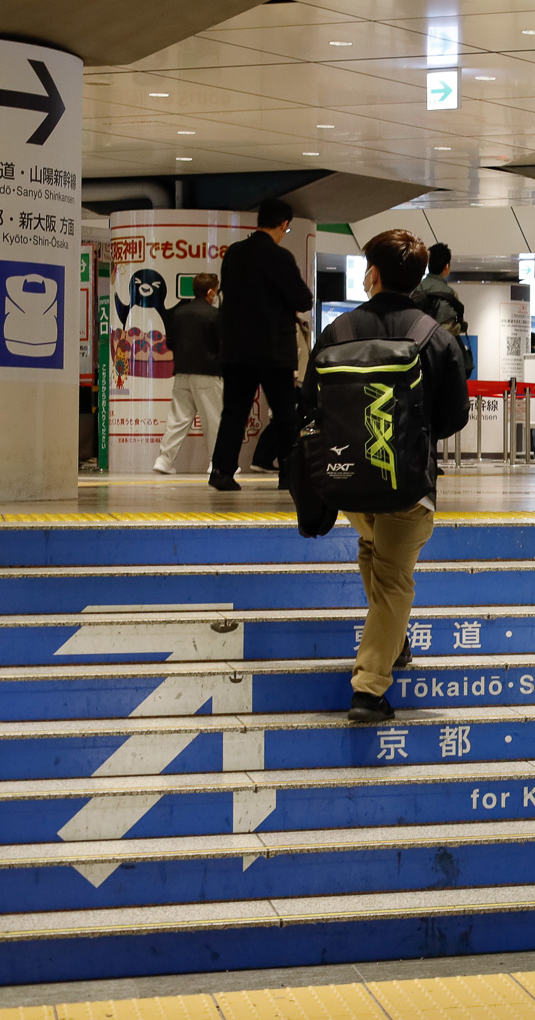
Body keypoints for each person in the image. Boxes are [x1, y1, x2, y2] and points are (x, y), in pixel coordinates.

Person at [309, 230, 471, 724]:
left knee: (371, 550)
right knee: (395, 577)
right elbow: (454, 416)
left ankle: (394, 643)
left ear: (372, 275)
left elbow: (308, 405)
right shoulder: (434, 336)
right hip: (406, 484)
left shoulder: (336, 332)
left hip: (346, 481)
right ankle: (369, 688)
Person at [210, 199, 313, 491]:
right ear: (283, 224)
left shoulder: (234, 253)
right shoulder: (280, 257)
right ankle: (289, 474)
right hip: (272, 349)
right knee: (284, 413)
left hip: (236, 348)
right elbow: (302, 299)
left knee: (234, 411)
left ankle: (221, 471)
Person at [152, 273, 222, 475]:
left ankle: (164, 460)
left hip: (182, 372)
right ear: (210, 292)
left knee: (178, 418)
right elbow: (221, 345)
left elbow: (170, 343)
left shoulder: (179, 314)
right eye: (216, 290)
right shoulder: (214, 315)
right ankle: (217, 463)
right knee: (213, 420)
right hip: (208, 373)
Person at [411, 242, 471, 377]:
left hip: (418, 355)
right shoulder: (450, 294)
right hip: (443, 357)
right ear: (447, 267)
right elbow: (448, 328)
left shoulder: (417, 289)